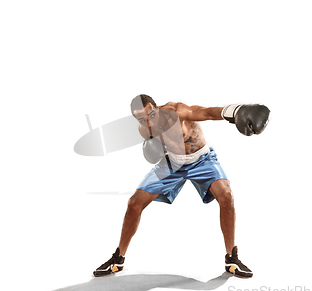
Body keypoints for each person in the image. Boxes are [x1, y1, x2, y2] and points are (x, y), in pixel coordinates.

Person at [93, 94, 270, 279]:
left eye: (151, 115)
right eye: (142, 119)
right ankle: (118, 259)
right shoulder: (144, 130)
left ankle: (231, 259)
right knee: (134, 203)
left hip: (202, 160)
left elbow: (206, 113)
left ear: (156, 107)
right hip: (172, 164)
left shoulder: (176, 112)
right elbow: (158, 145)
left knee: (226, 196)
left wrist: (235, 111)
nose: (149, 122)